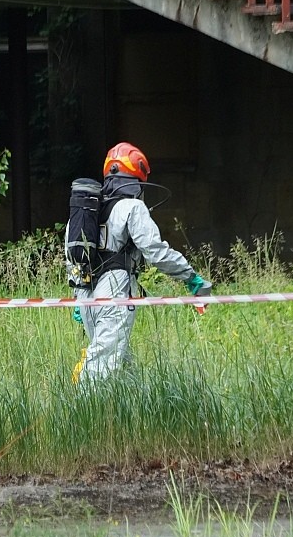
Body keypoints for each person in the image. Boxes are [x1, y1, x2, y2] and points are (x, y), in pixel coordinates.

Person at [71, 142, 209, 383]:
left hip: (86, 296)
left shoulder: (85, 210)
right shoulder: (133, 207)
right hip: (115, 293)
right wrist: (189, 276)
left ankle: (133, 404)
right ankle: (82, 408)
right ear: (137, 178)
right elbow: (156, 252)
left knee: (122, 367)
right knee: (100, 368)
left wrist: (77, 296)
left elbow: (72, 257)